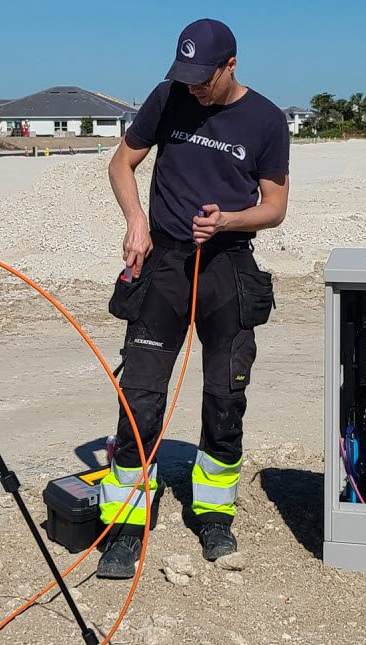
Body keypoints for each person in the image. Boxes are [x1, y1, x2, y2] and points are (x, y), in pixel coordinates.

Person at [97, 17, 290, 579]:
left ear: (230, 65)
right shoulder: (169, 96)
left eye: (203, 78)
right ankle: (127, 527)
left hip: (226, 266)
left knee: (225, 395)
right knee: (139, 396)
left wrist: (230, 219)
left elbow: (275, 206)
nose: (194, 88)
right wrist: (136, 221)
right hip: (164, 266)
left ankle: (213, 515)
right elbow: (122, 162)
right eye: (186, 77)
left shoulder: (267, 120)